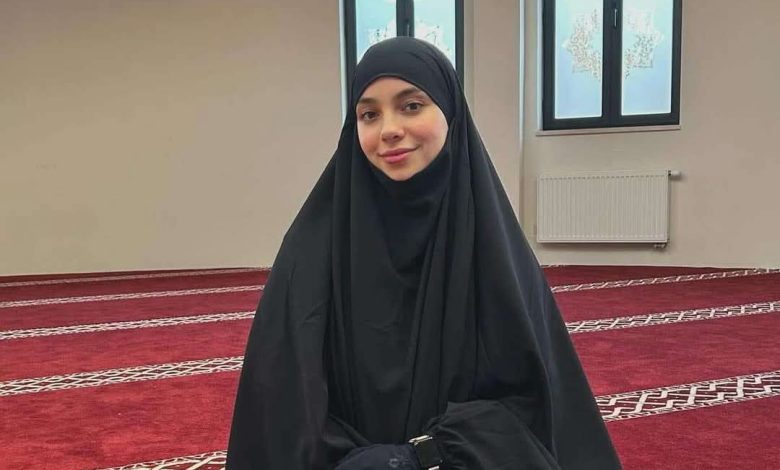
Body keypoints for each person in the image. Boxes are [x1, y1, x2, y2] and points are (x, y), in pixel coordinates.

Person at [226, 37, 622, 469]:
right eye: (369, 114)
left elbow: (530, 403)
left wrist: (425, 454)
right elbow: (281, 402)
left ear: (449, 111)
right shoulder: (311, 252)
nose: (389, 129)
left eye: (411, 106)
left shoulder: (494, 252)